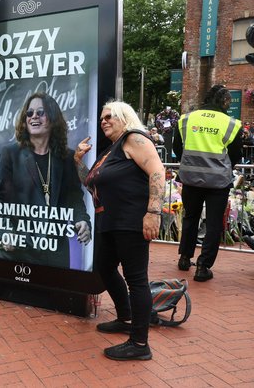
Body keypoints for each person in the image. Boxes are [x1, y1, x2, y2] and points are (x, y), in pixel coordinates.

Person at [74, 100, 165, 361]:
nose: (103, 121)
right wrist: (77, 160)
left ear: (124, 117)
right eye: (101, 117)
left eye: (109, 116)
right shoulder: (111, 150)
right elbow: (91, 183)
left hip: (131, 221)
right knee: (104, 267)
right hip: (110, 223)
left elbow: (157, 171)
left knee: (137, 280)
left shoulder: (134, 138)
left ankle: (139, 343)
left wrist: (153, 212)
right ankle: (125, 317)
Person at [0, 92, 91, 269]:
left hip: (55, 250)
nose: (34, 117)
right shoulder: (10, 153)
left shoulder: (67, 157)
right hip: (19, 248)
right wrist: (6, 231)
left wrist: (82, 220)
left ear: (53, 118)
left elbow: (74, 197)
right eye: (29, 113)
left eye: (40, 112)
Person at [173, 85, 242, 282]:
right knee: (213, 224)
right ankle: (203, 267)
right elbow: (236, 154)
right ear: (225, 102)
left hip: (190, 179)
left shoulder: (186, 119)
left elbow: (178, 148)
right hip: (218, 183)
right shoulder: (231, 123)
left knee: (190, 218)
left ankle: (185, 258)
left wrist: (191, 164)